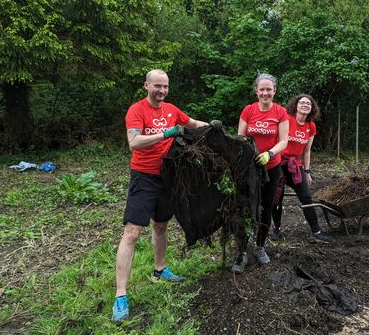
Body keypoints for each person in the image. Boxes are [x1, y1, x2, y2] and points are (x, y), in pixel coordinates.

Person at [112, 69, 212, 323]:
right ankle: (120, 294)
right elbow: (134, 142)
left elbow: (191, 124)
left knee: (161, 225)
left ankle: (160, 270)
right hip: (144, 178)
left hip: (168, 177)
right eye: (157, 86)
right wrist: (165, 134)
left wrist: (213, 127)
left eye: (165, 86)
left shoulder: (171, 110)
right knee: (132, 232)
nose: (162, 91)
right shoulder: (137, 110)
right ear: (146, 86)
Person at [234, 73, 289, 273]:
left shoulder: (280, 112)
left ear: (274, 91)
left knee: (267, 207)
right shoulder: (248, 111)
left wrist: (270, 153)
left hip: (271, 166)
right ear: (256, 91)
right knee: (246, 208)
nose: (265, 93)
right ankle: (241, 252)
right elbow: (241, 137)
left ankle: (260, 246)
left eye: (269, 89)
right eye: (262, 89)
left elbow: (284, 140)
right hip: (250, 168)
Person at [271, 94, 333, 243]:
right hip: (279, 163)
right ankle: (276, 229)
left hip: (295, 166)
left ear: (312, 108)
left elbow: (306, 151)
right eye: (302, 102)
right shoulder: (287, 118)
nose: (305, 105)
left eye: (308, 103)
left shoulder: (310, 126)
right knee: (277, 198)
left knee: (306, 197)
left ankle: (316, 231)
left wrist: (307, 171)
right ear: (295, 105)